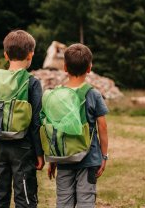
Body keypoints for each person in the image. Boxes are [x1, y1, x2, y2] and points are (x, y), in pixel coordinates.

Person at [0, 30, 44, 208]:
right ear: (30, 54)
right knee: (25, 196)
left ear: (5, 55)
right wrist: (39, 153)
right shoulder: (31, 82)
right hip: (23, 147)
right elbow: (36, 122)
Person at [47, 43, 109, 208]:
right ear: (89, 68)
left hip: (64, 158)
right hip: (88, 160)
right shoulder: (93, 94)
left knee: (64, 200)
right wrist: (104, 156)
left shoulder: (57, 94)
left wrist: (53, 159)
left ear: (65, 67)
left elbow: (55, 128)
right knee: (86, 201)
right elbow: (102, 127)